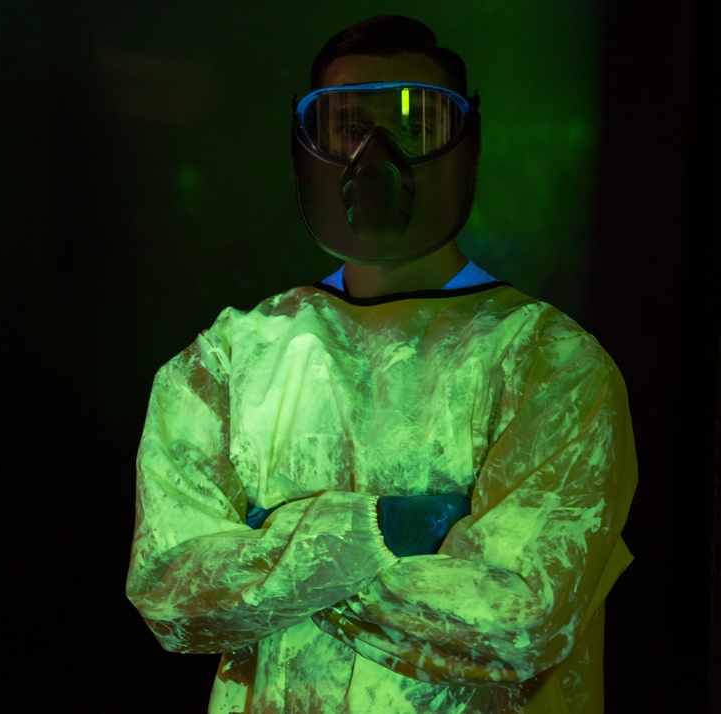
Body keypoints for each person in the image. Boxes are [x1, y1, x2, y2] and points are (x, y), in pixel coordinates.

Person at [125, 15, 636, 713]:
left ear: (468, 142)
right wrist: (393, 528)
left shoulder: (550, 365)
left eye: (417, 122)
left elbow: (518, 621)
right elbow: (171, 594)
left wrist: (273, 547)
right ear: (309, 145)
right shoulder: (226, 361)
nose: (377, 153)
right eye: (347, 125)